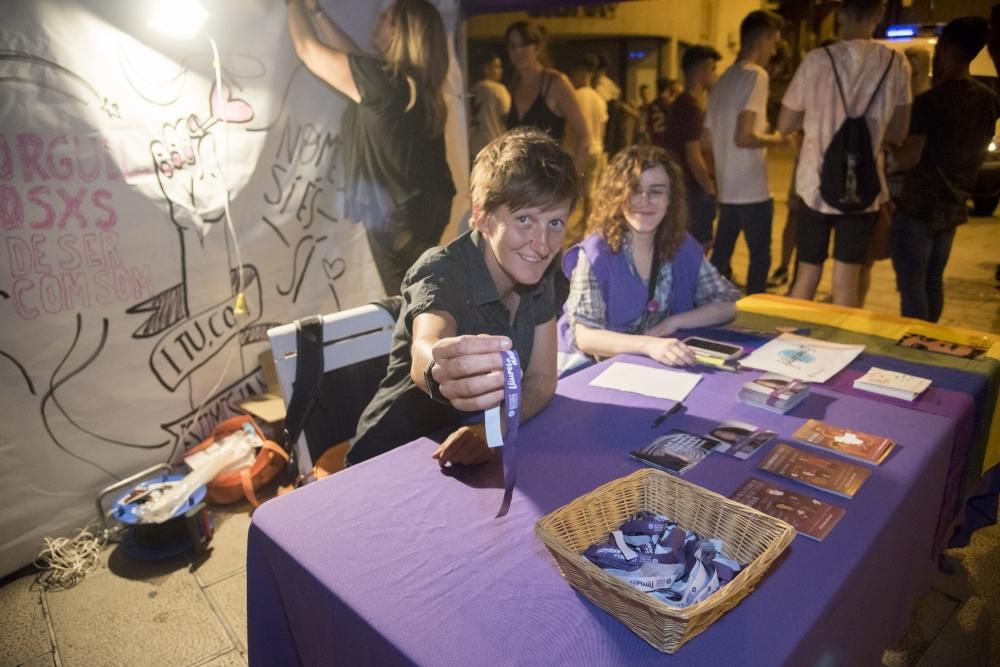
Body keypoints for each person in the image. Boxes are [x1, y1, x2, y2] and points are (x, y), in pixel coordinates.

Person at [349, 128, 578, 466]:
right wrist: (441, 367)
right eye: (524, 219)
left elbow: (541, 381)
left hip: (471, 447)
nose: (542, 244)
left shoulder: (543, 275)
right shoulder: (443, 270)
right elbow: (426, 349)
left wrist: (491, 432)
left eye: (555, 222)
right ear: (482, 216)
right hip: (393, 454)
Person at [286, 0, 456, 297]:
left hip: (400, 217)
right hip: (422, 207)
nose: (377, 20)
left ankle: (423, 343)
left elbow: (307, 50)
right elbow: (353, 58)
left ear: (400, 32)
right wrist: (316, 11)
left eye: (386, 17)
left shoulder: (384, 83)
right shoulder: (409, 82)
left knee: (411, 305)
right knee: (420, 296)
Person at [557, 145, 740, 373]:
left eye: (656, 191)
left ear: (670, 198)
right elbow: (585, 336)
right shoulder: (595, 252)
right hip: (587, 367)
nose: (644, 201)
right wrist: (649, 345)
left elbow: (727, 305)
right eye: (634, 190)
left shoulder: (682, 245)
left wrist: (675, 322)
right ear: (617, 195)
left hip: (647, 366)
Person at [777, 0, 911, 307]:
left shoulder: (816, 60)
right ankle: (841, 350)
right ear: (878, 14)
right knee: (847, 282)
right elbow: (899, 132)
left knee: (806, 276)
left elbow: (784, 124)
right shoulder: (895, 62)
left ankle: (788, 347)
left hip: (815, 184)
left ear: (840, 15)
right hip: (862, 188)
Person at [889, 17, 999, 322]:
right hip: (953, 205)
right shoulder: (987, 100)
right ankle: (930, 342)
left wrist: (887, 144)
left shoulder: (931, 102)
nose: (937, 59)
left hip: (918, 206)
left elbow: (908, 158)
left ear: (951, 50)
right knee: (932, 280)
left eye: (940, 52)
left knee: (912, 287)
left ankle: (916, 351)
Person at [704, 10, 787, 294]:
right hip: (752, 189)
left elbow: (706, 140)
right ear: (762, 39)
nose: (773, 50)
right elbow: (745, 135)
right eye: (772, 43)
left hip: (728, 189)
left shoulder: (722, 80)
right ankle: (755, 316)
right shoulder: (757, 76)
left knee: (720, 258)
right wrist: (778, 139)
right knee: (759, 259)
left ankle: (709, 307)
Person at [505, 21, 590, 175]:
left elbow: (585, 136)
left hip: (549, 183)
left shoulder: (555, 82)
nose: (518, 51)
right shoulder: (514, 84)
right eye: (512, 46)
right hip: (519, 182)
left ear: (537, 48)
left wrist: (570, 182)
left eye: (524, 44)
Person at [664, 45, 722, 253]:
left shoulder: (681, 104)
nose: (715, 75)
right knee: (699, 247)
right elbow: (693, 156)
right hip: (693, 189)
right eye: (712, 69)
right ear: (701, 70)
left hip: (681, 186)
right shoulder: (690, 107)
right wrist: (709, 188)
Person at [566, 54, 608, 238]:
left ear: (582, 75)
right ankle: (587, 228)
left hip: (578, 150)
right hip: (597, 148)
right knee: (591, 191)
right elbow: (603, 127)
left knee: (572, 191)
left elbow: (572, 128)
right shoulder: (600, 99)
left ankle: (573, 227)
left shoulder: (576, 97)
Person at [467, 54, 511, 163]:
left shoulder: (470, 91)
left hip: (474, 147)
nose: (501, 70)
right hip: (495, 145)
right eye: (497, 66)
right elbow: (507, 113)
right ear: (486, 68)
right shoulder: (498, 89)